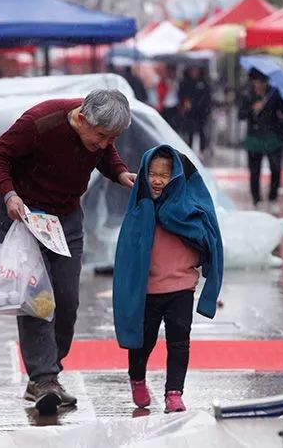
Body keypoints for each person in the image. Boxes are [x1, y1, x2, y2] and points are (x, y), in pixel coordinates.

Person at [0, 89, 137, 415]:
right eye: (100, 136)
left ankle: (49, 372)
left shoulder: (99, 135)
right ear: (81, 118)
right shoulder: (41, 122)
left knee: (67, 300)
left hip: (64, 217)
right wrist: (9, 195)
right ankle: (43, 378)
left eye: (112, 138)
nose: (105, 144)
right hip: (23, 214)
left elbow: (105, 155)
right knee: (37, 297)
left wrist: (121, 172)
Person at [112, 145, 223, 413]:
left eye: (165, 174)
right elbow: (127, 254)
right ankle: (137, 377)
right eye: (151, 173)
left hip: (182, 288)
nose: (159, 180)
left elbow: (210, 240)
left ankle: (174, 393)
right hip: (148, 291)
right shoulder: (140, 210)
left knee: (179, 342)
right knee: (143, 342)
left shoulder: (191, 210)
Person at [238, 68, 283, 214]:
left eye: (263, 81)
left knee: (276, 168)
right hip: (254, 137)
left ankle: (273, 198)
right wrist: (252, 109)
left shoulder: (274, 93)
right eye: (257, 81)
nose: (261, 85)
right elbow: (241, 115)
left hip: (273, 135)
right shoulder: (247, 95)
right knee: (254, 170)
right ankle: (257, 200)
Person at [178, 66, 212, 155]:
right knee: (190, 131)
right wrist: (184, 102)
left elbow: (207, 97)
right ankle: (189, 149)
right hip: (189, 112)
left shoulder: (203, 82)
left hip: (201, 111)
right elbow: (181, 94)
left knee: (202, 130)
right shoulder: (185, 82)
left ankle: (202, 150)